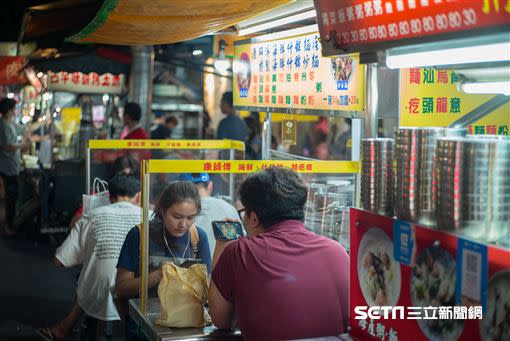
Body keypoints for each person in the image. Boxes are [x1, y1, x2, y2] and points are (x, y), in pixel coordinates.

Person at [208, 166, 349, 341]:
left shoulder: (239, 252)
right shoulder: (338, 252)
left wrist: (222, 245)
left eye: (244, 213)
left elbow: (220, 320)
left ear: (253, 218)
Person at [37, 173, 142, 341]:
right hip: (139, 291)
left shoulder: (92, 215)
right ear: (139, 196)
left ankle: (66, 328)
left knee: (93, 274)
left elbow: (59, 261)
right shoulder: (150, 216)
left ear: (109, 196)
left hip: (98, 289)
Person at [115, 181, 211, 340]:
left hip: (187, 323)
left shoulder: (198, 238)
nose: (183, 224)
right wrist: (157, 276)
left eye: (190, 218)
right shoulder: (139, 235)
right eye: (177, 217)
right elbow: (121, 287)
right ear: (162, 210)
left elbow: (207, 286)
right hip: (143, 326)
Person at [180, 173, 239, 256]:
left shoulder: (177, 211)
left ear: (180, 189)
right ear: (210, 186)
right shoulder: (229, 208)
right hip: (223, 267)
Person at [0, 98, 26, 237]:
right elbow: (7, 146)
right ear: (9, 110)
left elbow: (23, 128)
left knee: (13, 196)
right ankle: (8, 226)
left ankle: (9, 223)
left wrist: (42, 122)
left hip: (11, 166)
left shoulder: (8, 123)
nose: (16, 111)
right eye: (14, 108)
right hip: (8, 167)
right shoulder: (3, 125)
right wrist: (22, 146)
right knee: (11, 197)